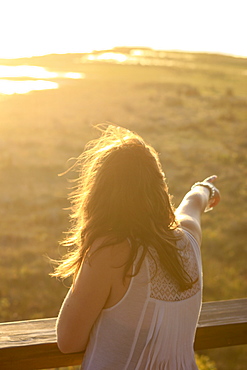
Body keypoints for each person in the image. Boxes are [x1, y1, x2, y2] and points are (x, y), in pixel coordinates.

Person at [52, 125, 220, 369]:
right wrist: (205, 188)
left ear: (100, 195)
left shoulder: (110, 252)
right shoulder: (189, 237)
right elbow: (192, 204)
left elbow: (68, 341)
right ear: (159, 188)